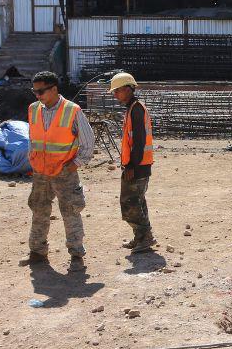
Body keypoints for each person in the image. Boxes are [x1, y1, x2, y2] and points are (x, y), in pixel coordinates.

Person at [26, 71, 94, 270]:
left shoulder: (72, 110)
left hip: (65, 172)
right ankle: (37, 251)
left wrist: (76, 164)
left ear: (54, 89)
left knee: (70, 211)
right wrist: (33, 158)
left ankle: (76, 255)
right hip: (40, 171)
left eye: (41, 91)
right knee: (39, 209)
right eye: (34, 91)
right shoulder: (33, 109)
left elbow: (88, 142)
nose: (37, 95)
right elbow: (33, 138)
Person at [109, 72, 156, 254]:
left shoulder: (136, 109)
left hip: (137, 165)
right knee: (138, 201)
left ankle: (144, 238)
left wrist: (131, 166)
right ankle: (142, 237)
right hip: (139, 164)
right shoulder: (132, 108)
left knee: (130, 203)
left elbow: (139, 140)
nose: (115, 95)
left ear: (128, 89)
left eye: (117, 91)